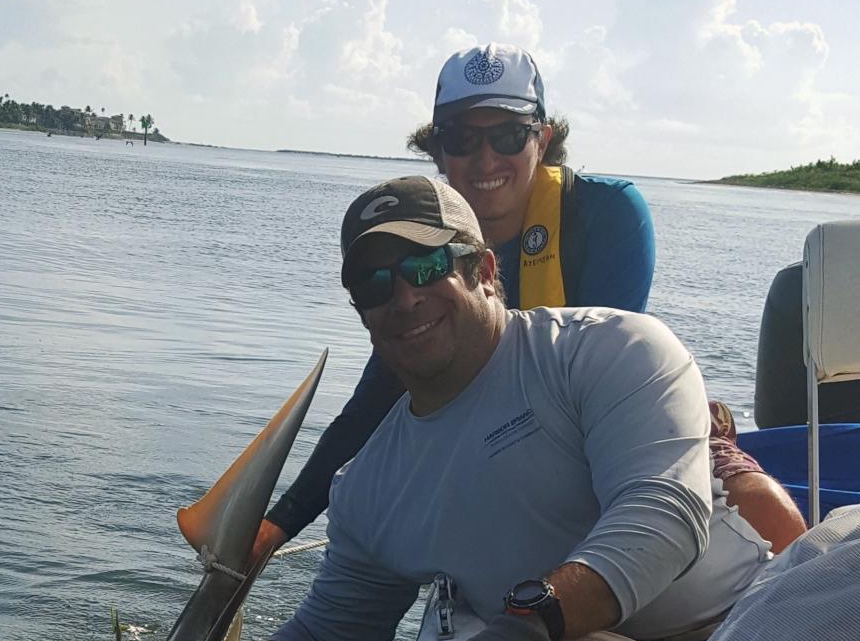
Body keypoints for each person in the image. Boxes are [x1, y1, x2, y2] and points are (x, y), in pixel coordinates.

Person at [124, 176, 769, 641]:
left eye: (426, 266)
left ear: (485, 269)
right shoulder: (369, 487)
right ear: (359, 310)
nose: (403, 297)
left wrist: (532, 620)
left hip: (737, 624)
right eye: (373, 284)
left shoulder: (608, 350)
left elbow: (666, 515)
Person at [254, 44, 803, 561]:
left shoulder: (605, 214)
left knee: (764, 516)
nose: (485, 157)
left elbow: (615, 367)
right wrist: (274, 527)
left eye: (510, 135)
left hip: (619, 431)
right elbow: (375, 403)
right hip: (505, 453)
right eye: (462, 138)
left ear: (541, 139)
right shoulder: (428, 253)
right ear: (438, 151)